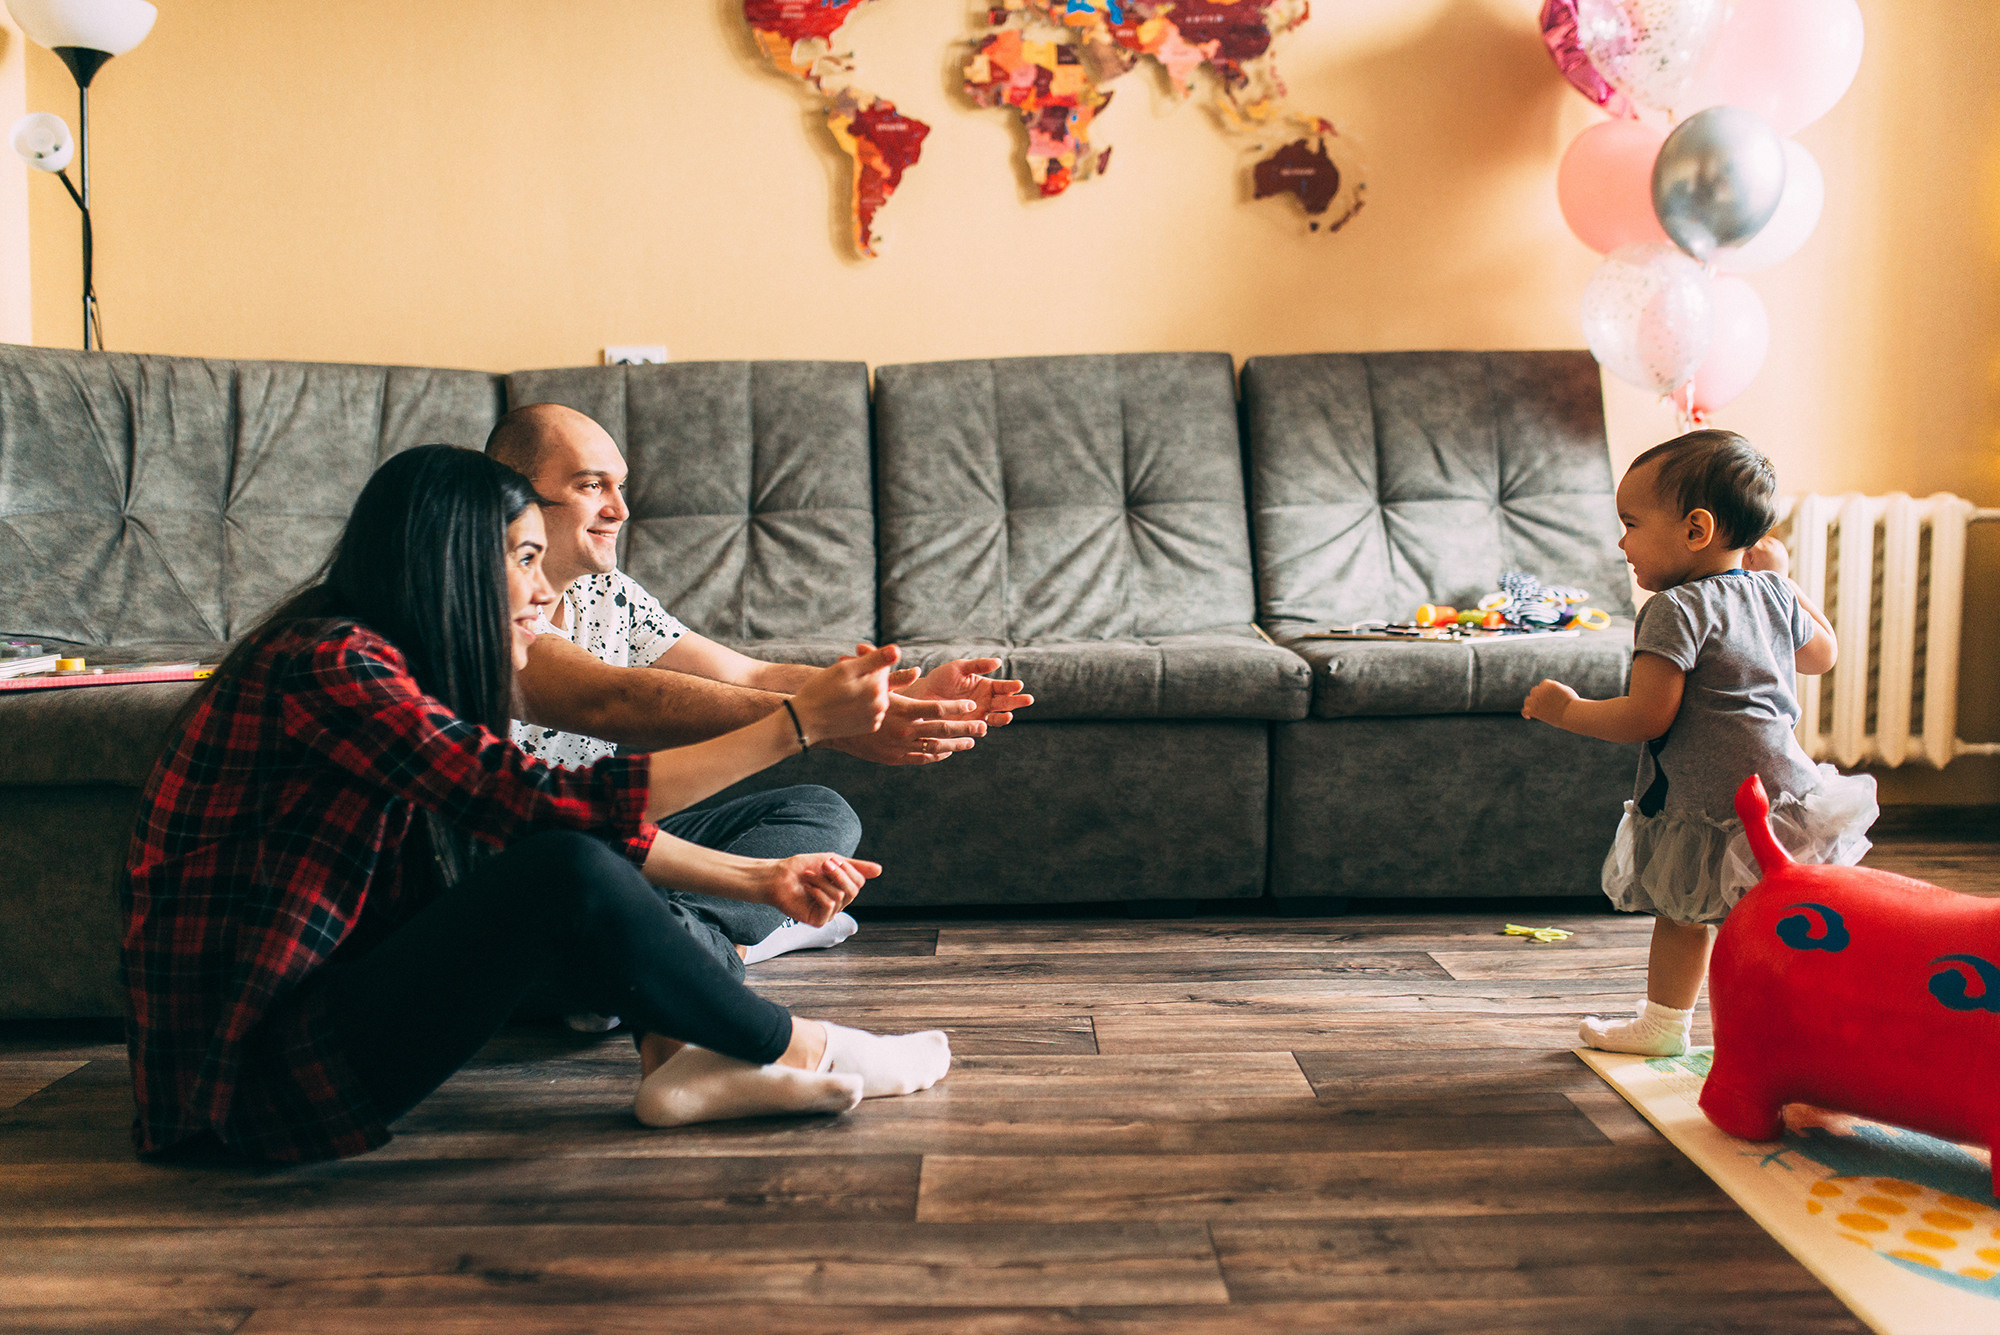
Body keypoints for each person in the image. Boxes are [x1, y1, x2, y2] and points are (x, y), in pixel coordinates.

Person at [122, 445, 949, 1163]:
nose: (542, 589)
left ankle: (690, 1037)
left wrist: (757, 879)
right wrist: (798, 724)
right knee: (564, 863)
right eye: (522, 558)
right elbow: (541, 807)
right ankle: (794, 1046)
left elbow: (523, 825)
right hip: (250, 1081)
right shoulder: (331, 662)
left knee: (566, 858)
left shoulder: (383, 660)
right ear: (451, 560)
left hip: (307, 1039)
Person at [482, 403, 1031, 1015]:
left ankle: (673, 942)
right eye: (592, 486)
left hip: (612, 841)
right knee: (591, 938)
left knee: (821, 813)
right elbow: (614, 698)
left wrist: (893, 696)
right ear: (512, 496)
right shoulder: (485, 601)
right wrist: (829, 728)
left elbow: (748, 673)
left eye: (621, 485)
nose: (621, 509)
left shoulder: (607, 592)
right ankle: (713, 947)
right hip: (531, 867)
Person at [1521, 429, 1877, 1058]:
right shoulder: (1769, 592)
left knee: (1684, 916)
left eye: (1631, 523)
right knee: (1783, 923)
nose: (1622, 541)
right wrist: (1787, 582)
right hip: (1787, 796)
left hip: (1712, 804)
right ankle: (1806, 1032)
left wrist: (1568, 710)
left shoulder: (1673, 609)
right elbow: (1824, 654)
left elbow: (1647, 718)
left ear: (1695, 530)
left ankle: (1666, 1025)